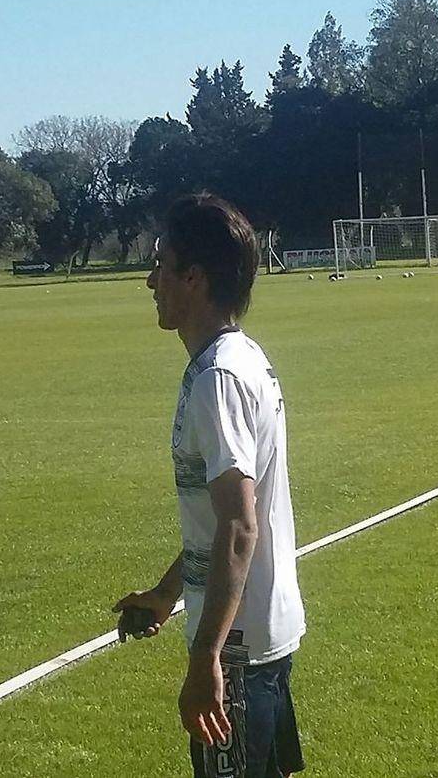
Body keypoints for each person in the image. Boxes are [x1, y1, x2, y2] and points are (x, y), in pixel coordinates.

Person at [113, 194, 306, 778]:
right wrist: (167, 593)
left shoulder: (217, 378)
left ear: (193, 277)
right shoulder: (239, 356)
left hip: (239, 648)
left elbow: (240, 525)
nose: (151, 281)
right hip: (258, 635)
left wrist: (207, 657)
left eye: (162, 265)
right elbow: (223, 519)